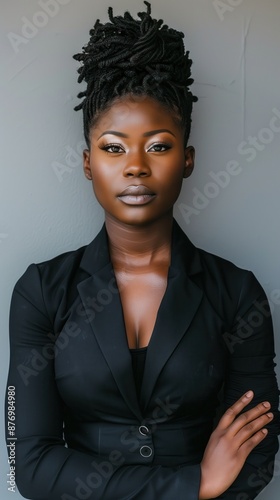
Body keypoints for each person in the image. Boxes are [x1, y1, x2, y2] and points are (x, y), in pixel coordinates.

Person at [5, 2, 280, 499]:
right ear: (88, 163)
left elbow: (256, 454)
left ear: (188, 159)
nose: (135, 167)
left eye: (158, 146)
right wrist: (194, 484)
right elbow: (31, 466)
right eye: (113, 148)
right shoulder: (42, 292)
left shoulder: (237, 293)